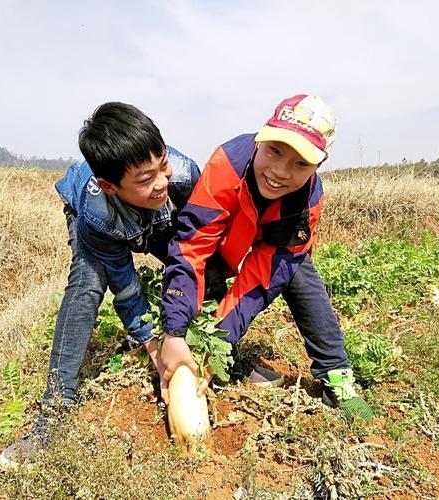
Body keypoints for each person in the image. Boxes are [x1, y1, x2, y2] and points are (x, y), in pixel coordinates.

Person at [0, 101, 201, 470]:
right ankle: (53, 415)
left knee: (197, 263)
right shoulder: (98, 215)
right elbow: (125, 286)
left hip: (147, 216)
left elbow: (195, 247)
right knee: (88, 285)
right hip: (102, 222)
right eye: (145, 177)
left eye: (162, 166)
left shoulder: (182, 175)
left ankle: (219, 348)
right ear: (109, 185)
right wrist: (153, 348)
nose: (160, 182)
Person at [159, 94, 373, 421]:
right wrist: (174, 331)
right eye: (275, 150)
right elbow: (193, 247)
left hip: (271, 236)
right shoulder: (228, 164)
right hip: (225, 235)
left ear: (318, 166)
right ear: (260, 139)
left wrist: (224, 337)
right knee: (203, 278)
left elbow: (263, 278)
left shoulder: (305, 203)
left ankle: (336, 375)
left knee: (299, 274)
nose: (280, 171)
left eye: (301, 163)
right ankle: (196, 343)